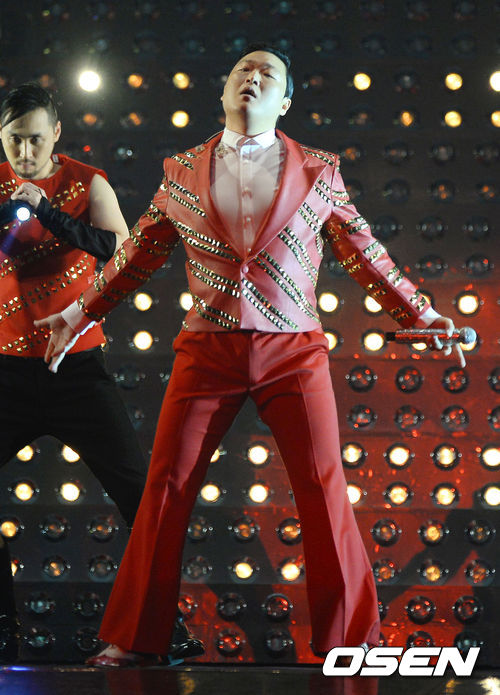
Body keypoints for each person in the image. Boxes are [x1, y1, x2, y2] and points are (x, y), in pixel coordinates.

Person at [35, 44, 463, 668]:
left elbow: (363, 251)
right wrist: (78, 314)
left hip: (293, 347)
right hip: (207, 347)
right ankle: (135, 637)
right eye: (243, 70)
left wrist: (421, 315)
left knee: (323, 488)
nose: (253, 79)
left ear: (284, 102)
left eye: (268, 74)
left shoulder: (318, 170)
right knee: (165, 487)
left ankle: (349, 642)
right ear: (224, 90)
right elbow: (138, 253)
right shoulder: (182, 169)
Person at [0, 83, 203, 664]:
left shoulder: (86, 183)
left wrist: (45, 211)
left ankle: (163, 629)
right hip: (7, 373)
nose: (26, 152)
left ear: (56, 134)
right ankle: (3, 629)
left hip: (78, 371)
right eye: (14, 141)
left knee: (141, 496)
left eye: (36, 139)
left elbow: (119, 249)